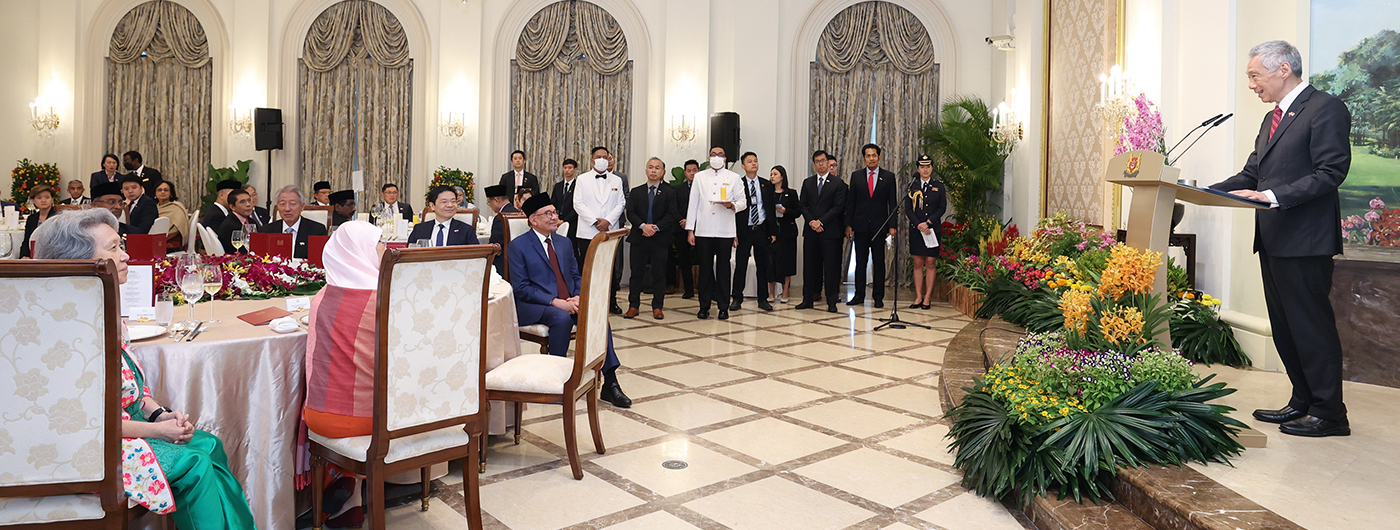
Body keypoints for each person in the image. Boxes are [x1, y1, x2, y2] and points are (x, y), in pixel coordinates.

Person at [32, 208, 257, 529]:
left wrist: (158, 414)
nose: (125, 256)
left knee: (210, 444)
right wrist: (157, 431)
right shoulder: (66, 333)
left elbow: (128, 386)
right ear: (80, 260)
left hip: (121, 430)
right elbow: (86, 422)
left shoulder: (99, 308)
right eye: (113, 248)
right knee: (195, 463)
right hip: (86, 449)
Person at [1209, 40, 1352, 438]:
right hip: (1273, 239)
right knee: (1286, 326)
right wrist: (1205, 191)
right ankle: (1302, 401)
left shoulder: (1326, 108)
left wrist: (1272, 197)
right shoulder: (1272, 118)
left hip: (1306, 240)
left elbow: (1331, 172)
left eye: (1255, 76)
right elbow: (1251, 176)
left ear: (1283, 69)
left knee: (1310, 326)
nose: (1252, 85)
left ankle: (1330, 413)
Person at [509, 193, 631, 408]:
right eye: (547, 214)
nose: (554, 217)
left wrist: (577, 296)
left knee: (597, 317)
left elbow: (575, 276)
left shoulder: (564, 243)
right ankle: (558, 380)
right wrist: (555, 302)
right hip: (534, 306)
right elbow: (521, 288)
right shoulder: (518, 246)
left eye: (555, 212)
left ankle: (611, 382)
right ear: (533, 220)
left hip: (567, 300)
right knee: (561, 318)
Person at [303, 220, 383, 528]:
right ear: (361, 250)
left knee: (321, 386)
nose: (385, 248)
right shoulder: (387, 299)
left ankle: (347, 497)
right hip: (381, 419)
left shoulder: (322, 296)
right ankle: (350, 496)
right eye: (379, 242)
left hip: (326, 418)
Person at [686, 146, 747, 320]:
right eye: (714, 154)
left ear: (725, 158)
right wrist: (691, 230)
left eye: (720, 155)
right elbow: (693, 204)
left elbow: (743, 202)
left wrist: (732, 205)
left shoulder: (734, 177)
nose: (717, 157)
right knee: (705, 269)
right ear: (709, 157)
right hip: (703, 230)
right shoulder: (699, 177)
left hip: (725, 230)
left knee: (723, 269)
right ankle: (704, 306)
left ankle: (723, 307)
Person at [624, 158, 681, 319]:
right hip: (639, 238)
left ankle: (657, 307)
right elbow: (631, 213)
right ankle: (633, 306)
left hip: (659, 239)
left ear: (663, 172)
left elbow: (671, 214)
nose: (653, 170)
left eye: (657, 168)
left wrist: (654, 228)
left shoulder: (670, 192)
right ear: (646, 170)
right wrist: (643, 226)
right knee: (636, 274)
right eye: (650, 167)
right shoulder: (636, 191)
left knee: (659, 274)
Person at [575, 146, 628, 314]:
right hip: (587, 232)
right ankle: (588, 302)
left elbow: (621, 203)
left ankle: (611, 302)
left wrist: (608, 221)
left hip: (610, 231)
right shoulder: (582, 179)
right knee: (588, 268)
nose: (602, 159)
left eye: (605, 157)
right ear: (592, 160)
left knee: (610, 268)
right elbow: (578, 203)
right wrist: (594, 221)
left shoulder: (617, 180)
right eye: (599, 157)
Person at [845, 143, 898, 308]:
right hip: (860, 226)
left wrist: (892, 226)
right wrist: (848, 225)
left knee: (879, 262)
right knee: (860, 262)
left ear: (879, 157)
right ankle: (859, 295)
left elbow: (893, 204)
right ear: (864, 158)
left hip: (880, 227)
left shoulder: (888, 177)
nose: (871, 158)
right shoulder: (856, 176)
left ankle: (878, 297)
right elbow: (851, 203)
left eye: (874, 155)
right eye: (868, 156)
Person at [796, 150, 847, 313]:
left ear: (828, 162)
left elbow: (838, 207)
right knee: (810, 266)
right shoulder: (808, 182)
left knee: (831, 268)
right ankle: (807, 299)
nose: (821, 164)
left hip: (830, 232)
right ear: (814, 165)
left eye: (823, 161)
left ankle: (831, 301)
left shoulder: (838, 183)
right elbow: (802, 205)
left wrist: (821, 221)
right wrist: (812, 221)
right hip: (811, 232)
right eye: (817, 161)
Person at [731, 152, 777, 312]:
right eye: (749, 162)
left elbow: (770, 209)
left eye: (755, 161)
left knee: (763, 265)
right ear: (743, 166)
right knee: (741, 265)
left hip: (761, 230)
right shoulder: (738, 184)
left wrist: (773, 231)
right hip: (744, 230)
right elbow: (734, 211)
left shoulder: (766, 184)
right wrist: (733, 232)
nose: (754, 164)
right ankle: (737, 298)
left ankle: (763, 299)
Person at [904, 155, 947, 309]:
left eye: (928, 166)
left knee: (930, 262)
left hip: (932, 229)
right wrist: (919, 224)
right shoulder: (912, 186)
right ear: (918, 169)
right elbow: (908, 209)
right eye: (922, 167)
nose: (925, 169)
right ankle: (918, 297)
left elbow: (942, 208)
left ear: (932, 168)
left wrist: (928, 223)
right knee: (918, 262)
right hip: (917, 229)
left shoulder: (939, 186)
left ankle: (927, 298)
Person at [259, 185, 329, 259]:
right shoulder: (266, 231)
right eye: (282, 204)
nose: (287, 209)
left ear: (302, 206)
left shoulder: (317, 230)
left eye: (292, 204)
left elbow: (320, 260)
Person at [768, 165, 802, 304]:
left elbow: (798, 212)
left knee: (787, 263)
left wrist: (785, 211)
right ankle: (771, 293)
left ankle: (785, 292)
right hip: (771, 232)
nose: (772, 176)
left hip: (787, 232)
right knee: (771, 263)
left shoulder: (791, 193)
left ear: (782, 176)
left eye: (775, 174)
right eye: (771, 174)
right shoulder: (768, 193)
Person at [409, 185, 479, 247]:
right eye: (444, 201)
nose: (450, 205)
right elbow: (409, 255)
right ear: (432, 206)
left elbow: (476, 257)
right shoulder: (419, 229)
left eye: (453, 201)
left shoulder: (466, 231)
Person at [671, 160, 700, 299]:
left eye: (694, 170)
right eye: (689, 171)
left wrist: (692, 222)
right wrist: (683, 221)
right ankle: (688, 289)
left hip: (700, 228)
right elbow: (673, 208)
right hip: (681, 228)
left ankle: (707, 288)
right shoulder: (677, 189)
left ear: (698, 171)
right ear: (685, 172)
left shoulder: (703, 188)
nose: (692, 173)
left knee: (703, 258)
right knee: (684, 260)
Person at [551, 158, 582, 264]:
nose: (567, 170)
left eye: (570, 168)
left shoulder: (578, 185)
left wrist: (565, 220)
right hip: (557, 222)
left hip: (573, 223)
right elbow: (553, 203)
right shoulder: (558, 186)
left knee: (573, 248)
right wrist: (556, 218)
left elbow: (577, 207)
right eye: (565, 168)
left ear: (575, 170)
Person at [484, 184, 519, 276]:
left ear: (496, 200)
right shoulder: (518, 213)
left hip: (504, 264)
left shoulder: (501, 218)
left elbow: (496, 245)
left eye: (489, 203)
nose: (490, 206)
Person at [217, 188, 260, 254]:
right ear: (232, 207)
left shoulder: (252, 222)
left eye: (249, 200)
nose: (248, 204)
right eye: (242, 202)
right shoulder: (229, 226)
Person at [20, 184, 58, 258]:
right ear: (33, 200)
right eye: (39, 198)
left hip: (53, 256)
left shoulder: (57, 217)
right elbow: (27, 240)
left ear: (52, 199)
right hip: (33, 256)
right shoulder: (31, 218)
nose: (43, 200)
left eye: (47, 197)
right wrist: (24, 256)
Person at [154, 181, 191, 250]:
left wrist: (159, 239)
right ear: (155, 194)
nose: (162, 192)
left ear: (171, 193)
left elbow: (177, 229)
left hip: (171, 243)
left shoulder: (176, 207)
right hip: (155, 240)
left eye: (166, 190)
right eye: (159, 190)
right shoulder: (153, 208)